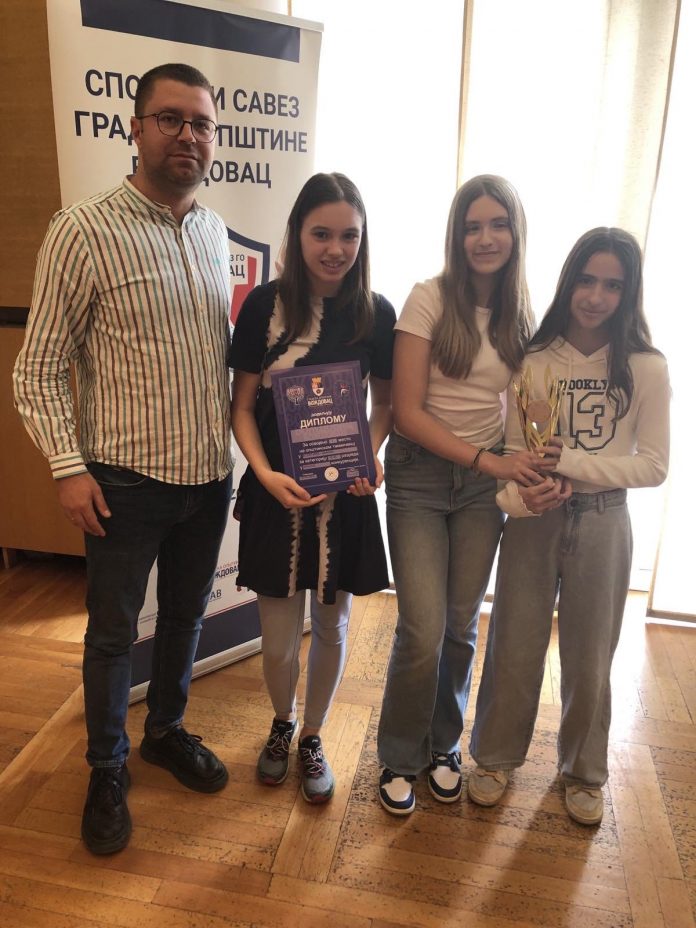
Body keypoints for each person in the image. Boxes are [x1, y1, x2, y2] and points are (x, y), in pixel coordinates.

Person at [13, 63, 233, 855]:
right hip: (123, 484)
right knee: (112, 635)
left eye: (201, 123)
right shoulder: (82, 230)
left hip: (208, 478)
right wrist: (67, 468)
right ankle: (107, 767)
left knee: (185, 616)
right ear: (135, 129)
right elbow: (38, 368)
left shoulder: (212, 231)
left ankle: (164, 731)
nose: (187, 135)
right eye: (170, 119)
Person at [468, 228, 670, 825]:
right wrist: (522, 497)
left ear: (629, 292)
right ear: (568, 283)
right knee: (514, 645)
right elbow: (513, 455)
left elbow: (654, 466)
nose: (596, 296)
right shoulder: (533, 359)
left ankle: (583, 771)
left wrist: (573, 465)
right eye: (586, 280)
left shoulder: (646, 366)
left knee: (591, 657)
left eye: (613, 285)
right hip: (536, 523)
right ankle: (495, 758)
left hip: (606, 521)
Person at [377, 175, 558, 815]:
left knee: (459, 625)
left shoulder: (523, 315)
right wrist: (492, 461)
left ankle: (443, 746)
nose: (485, 238)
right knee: (423, 627)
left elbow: (530, 405)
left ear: (515, 234)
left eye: (497, 225)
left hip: (484, 487)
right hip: (421, 476)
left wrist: (544, 453)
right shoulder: (428, 297)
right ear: (457, 236)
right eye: (472, 226)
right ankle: (399, 755)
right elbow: (406, 413)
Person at [230, 172, 395, 804]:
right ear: (297, 233)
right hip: (275, 496)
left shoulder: (376, 312)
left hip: (343, 501)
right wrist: (264, 473)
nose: (335, 248)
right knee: (278, 642)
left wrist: (366, 455)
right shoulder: (262, 307)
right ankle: (282, 721)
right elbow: (242, 408)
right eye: (321, 233)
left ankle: (313, 735)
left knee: (333, 624)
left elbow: (384, 405)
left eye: (349, 236)